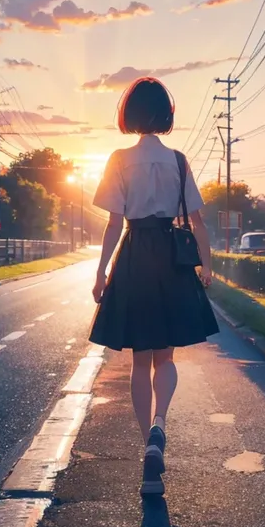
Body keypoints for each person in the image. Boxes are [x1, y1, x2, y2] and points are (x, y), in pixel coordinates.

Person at [90, 77, 219, 496]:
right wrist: (208, 268)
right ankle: (161, 425)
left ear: (128, 112)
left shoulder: (118, 158)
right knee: (166, 356)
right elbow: (198, 223)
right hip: (171, 256)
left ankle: (148, 445)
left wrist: (101, 272)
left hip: (134, 255)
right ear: (166, 113)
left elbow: (113, 224)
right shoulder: (179, 161)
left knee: (139, 361)